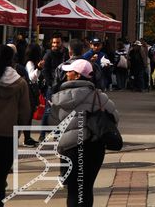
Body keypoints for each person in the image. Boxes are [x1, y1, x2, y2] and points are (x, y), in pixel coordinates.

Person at [50, 58, 118, 207]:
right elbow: (114, 117)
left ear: (78, 75)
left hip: (71, 149)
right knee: (87, 188)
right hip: (94, 147)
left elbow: (52, 122)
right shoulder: (99, 97)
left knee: (74, 190)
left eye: (70, 72)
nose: (67, 74)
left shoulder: (60, 98)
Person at [0, 44, 31, 207]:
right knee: (1, 176)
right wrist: (23, 130)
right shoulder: (20, 82)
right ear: (13, 59)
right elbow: (25, 112)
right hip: (8, 136)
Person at [39, 33, 69, 129]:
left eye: (57, 42)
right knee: (48, 110)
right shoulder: (48, 54)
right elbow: (45, 71)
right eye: (54, 42)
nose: (55, 45)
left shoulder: (66, 53)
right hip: (51, 87)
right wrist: (50, 84)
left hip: (63, 86)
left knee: (63, 111)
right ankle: (42, 134)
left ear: (62, 43)